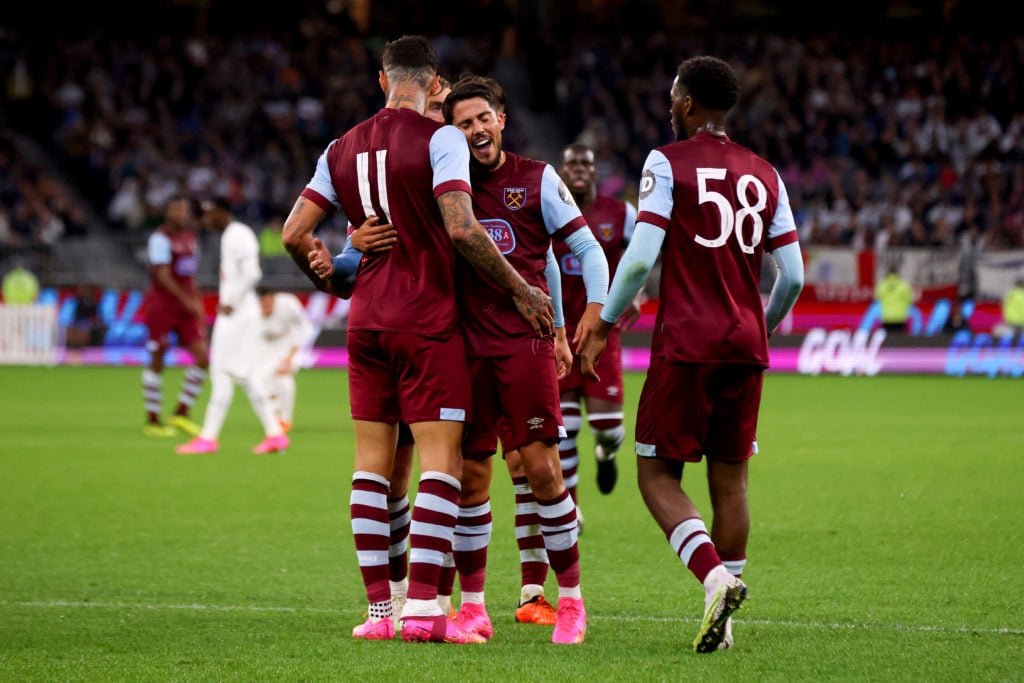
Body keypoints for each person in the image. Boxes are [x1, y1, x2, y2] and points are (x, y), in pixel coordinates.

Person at [282, 35, 552, 645]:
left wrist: (332, 272)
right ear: (434, 85)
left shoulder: (340, 146)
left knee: (370, 472)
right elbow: (461, 228)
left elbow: (295, 233)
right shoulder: (442, 139)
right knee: (442, 468)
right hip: (426, 320)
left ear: (383, 80)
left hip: (366, 323)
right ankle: (427, 611)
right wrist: (520, 290)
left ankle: (382, 612)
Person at [579, 56, 804, 653]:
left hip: (686, 342)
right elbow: (795, 277)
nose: (667, 105)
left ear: (686, 105)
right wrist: (763, 325)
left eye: (672, 95)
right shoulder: (767, 173)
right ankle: (726, 622)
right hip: (743, 347)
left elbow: (637, 259)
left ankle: (714, 582)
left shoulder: (667, 161)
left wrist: (601, 324)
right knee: (731, 484)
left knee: (655, 473)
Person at [439, 74, 609, 645]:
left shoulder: (537, 179)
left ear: (502, 119)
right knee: (471, 479)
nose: (476, 129)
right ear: (452, 133)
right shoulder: (448, 186)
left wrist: (587, 318)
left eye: (483, 117)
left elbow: (580, 251)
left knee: (542, 473)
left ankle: (571, 603)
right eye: (463, 123)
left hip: (523, 347)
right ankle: (473, 607)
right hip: (464, 349)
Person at [554, 143, 640, 511]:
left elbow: (641, 256)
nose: (577, 168)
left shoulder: (621, 213)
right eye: (570, 162)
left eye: (584, 163)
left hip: (603, 333)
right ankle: (571, 511)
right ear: (561, 170)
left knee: (608, 429)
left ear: (594, 172)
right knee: (565, 431)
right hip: (559, 331)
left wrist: (637, 292)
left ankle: (606, 456)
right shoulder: (548, 210)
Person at [176, 197, 289, 455]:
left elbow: (253, 273)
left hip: (238, 314)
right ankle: (274, 434)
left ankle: (208, 438)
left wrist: (232, 301)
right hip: (240, 313)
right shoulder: (231, 235)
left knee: (221, 370)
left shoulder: (238, 235)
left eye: (209, 213)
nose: (205, 220)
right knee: (242, 374)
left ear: (223, 212)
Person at [140, 195, 209, 437]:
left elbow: (191, 275)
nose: (181, 215)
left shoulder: (191, 239)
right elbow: (162, 276)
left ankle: (180, 413)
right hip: (163, 307)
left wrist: (197, 302)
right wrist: (188, 300)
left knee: (202, 358)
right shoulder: (159, 239)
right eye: (176, 211)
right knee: (158, 359)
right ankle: (153, 421)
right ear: (167, 213)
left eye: (184, 210)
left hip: (186, 307)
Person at [255, 285, 314, 433]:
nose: (265, 306)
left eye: (267, 302)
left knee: (283, 377)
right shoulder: (251, 311)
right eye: (261, 303)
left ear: (273, 298)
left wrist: (290, 356)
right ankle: (274, 415)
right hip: (264, 348)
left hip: (287, 344)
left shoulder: (288, 303)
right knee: (262, 381)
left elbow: (304, 328)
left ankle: (284, 419)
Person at [875, 265, 913, 334]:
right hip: (900, 318)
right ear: (897, 274)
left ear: (887, 274)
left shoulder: (881, 285)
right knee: (899, 342)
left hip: (886, 318)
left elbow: (877, 299)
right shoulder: (904, 286)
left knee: (887, 341)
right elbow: (910, 300)